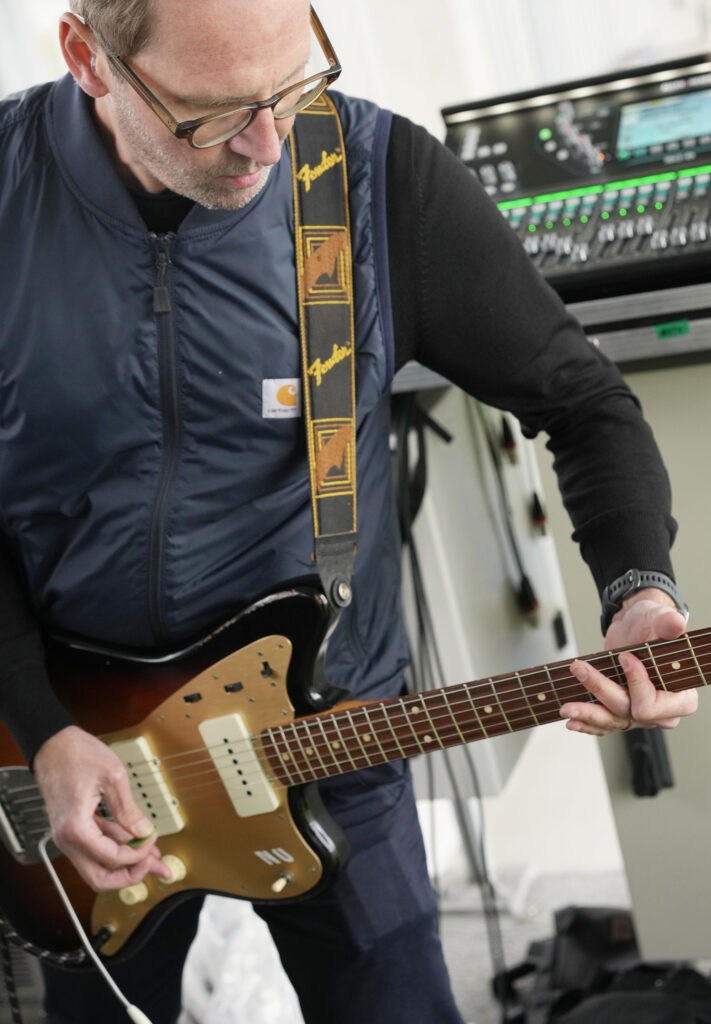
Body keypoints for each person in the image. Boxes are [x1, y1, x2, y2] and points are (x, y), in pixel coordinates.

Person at [0, 2, 698, 1022]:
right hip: (69, 749)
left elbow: (584, 402)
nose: (267, 144)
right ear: (88, 58)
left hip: (336, 741)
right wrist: (44, 722)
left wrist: (641, 588)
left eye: (292, 85)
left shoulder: (375, 181)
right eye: (210, 113)